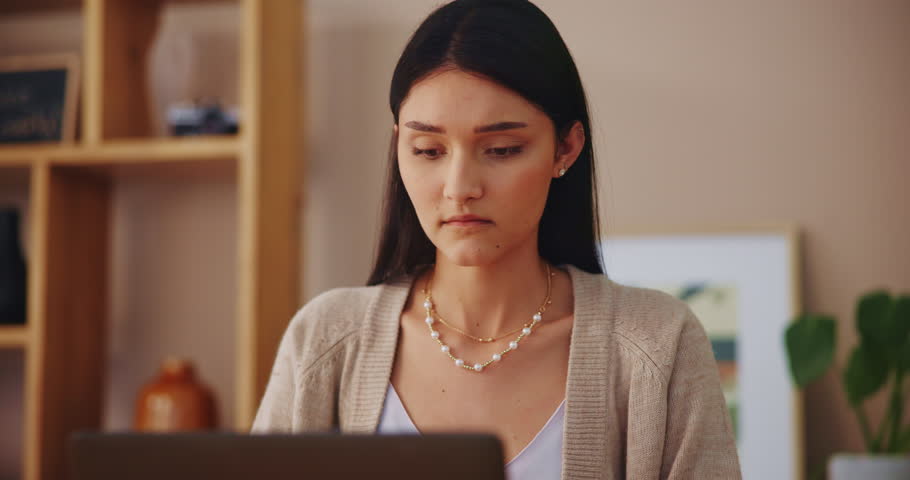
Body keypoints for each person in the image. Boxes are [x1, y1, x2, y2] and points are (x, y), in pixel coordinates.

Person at [252, 0, 741, 478]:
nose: (460, 187)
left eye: (502, 149)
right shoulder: (326, 339)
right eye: (427, 150)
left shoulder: (657, 345)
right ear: (398, 145)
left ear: (565, 148)